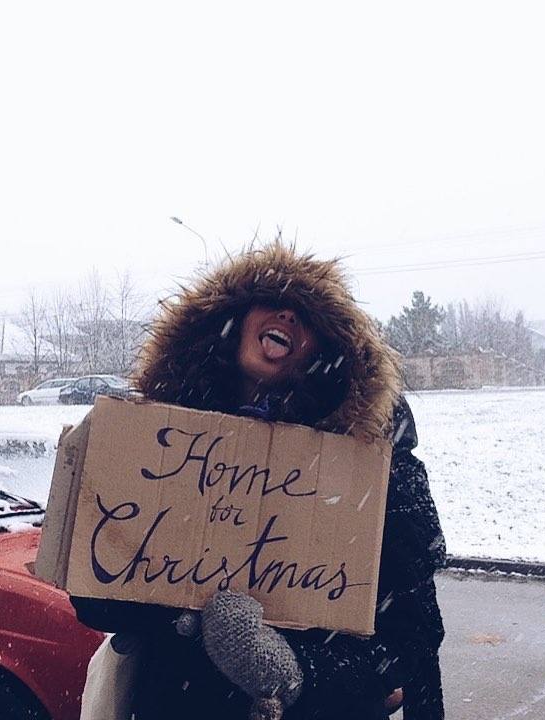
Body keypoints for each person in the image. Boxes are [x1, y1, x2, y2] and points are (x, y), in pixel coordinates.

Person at [72, 242, 446, 720]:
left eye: (306, 315)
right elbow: (95, 598)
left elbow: (412, 635)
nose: (288, 315)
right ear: (232, 323)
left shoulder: (371, 455)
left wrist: (293, 672)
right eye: (272, 301)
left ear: (323, 350)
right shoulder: (160, 435)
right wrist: (178, 612)